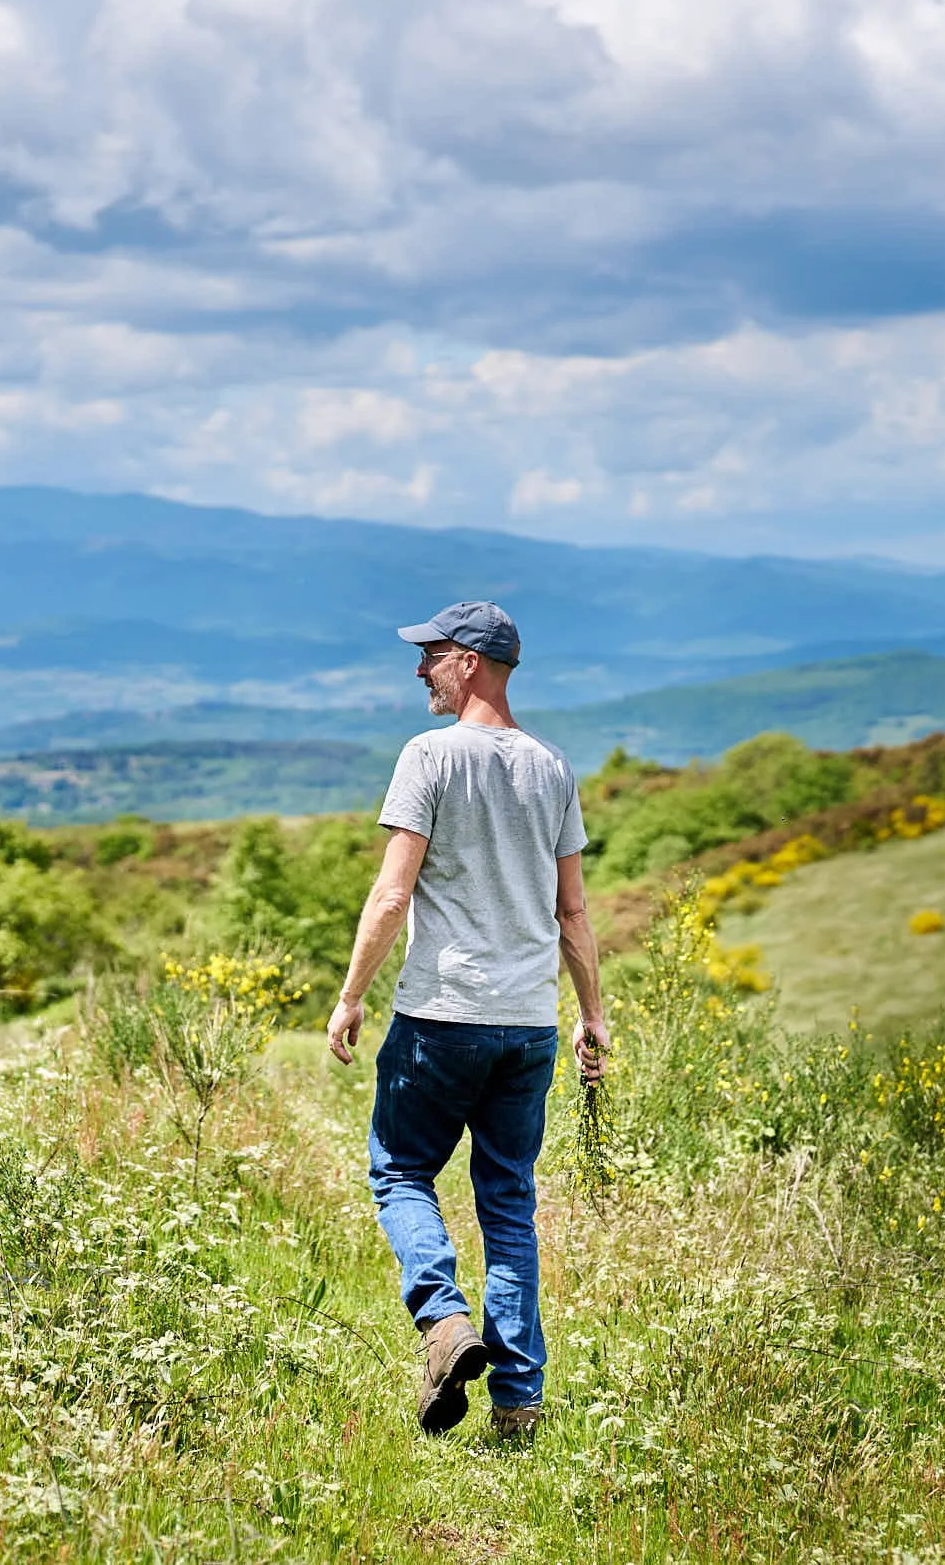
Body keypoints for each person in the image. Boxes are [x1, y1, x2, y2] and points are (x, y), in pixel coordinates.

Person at [327, 600, 609, 1440]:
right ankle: (518, 1402)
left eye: (434, 656)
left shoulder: (430, 757)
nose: (420, 670)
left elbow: (392, 892)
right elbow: (573, 912)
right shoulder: (553, 768)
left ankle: (445, 1323)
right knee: (509, 1203)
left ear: (474, 663)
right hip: (529, 1026)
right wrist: (592, 1014)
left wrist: (349, 996)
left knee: (400, 1171)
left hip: (442, 1016)